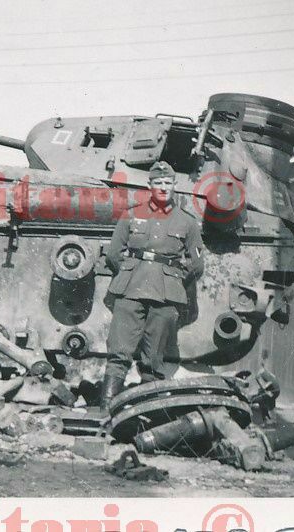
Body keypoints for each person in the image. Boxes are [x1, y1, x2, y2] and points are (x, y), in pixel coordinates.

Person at [101, 161, 204, 405]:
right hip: (131, 292)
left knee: (154, 358)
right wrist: (129, 275)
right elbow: (114, 254)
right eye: (158, 183)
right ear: (149, 186)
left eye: (168, 183)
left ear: (174, 186)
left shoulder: (187, 223)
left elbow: (197, 265)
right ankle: (106, 407)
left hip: (166, 296)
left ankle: (145, 409)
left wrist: (174, 282)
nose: (163, 188)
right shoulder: (131, 215)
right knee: (119, 351)